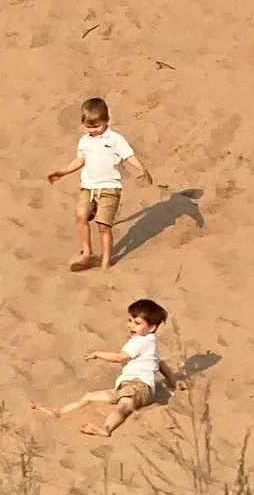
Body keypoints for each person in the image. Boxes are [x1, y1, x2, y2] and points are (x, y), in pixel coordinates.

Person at [34, 299, 177, 438]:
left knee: (124, 405)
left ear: (151, 328)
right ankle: (60, 412)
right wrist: (174, 383)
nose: (131, 325)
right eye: (130, 320)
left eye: (137, 323)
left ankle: (106, 428)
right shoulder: (150, 342)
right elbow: (159, 364)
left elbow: (119, 357)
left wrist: (97, 354)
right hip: (126, 387)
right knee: (90, 396)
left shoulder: (139, 342)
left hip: (139, 388)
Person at [45, 96, 155, 273]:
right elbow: (80, 160)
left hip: (109, 188)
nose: (93, 130)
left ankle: (105, 260)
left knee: (103, 226)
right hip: (88, 187)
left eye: (97, 126)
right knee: (81, 215)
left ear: (106, 121)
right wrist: (63, 172)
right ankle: (86, 251)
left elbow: (128, 155)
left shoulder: (115, 139)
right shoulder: (85, 141)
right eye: (89, 127)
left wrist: (142, 168)